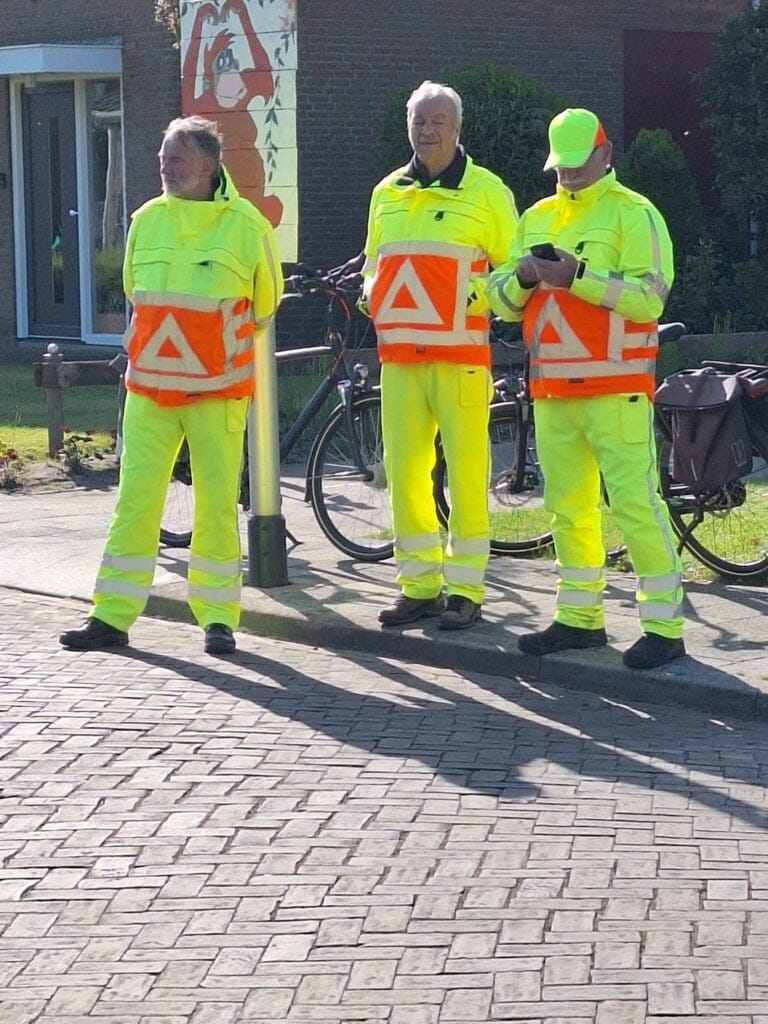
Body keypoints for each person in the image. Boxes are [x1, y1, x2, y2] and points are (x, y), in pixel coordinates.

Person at [60, 116, 282, 655]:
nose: (165, 166)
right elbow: (135, 291)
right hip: (150, 393)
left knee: (215, 508)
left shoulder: (248, 227)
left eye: (176, 158)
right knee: (135, 503)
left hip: (217, 394)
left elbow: (266, 304)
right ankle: (111, 616)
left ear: (208, 166)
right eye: (163, 157)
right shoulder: (146, 221)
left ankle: (218, 618)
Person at [488, 107, 685, 670]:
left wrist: (578, 276)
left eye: (578, 164)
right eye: (561, 168)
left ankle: (665, 627)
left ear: (606, 153)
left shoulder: (634, 213)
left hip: (616, 389)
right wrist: (523, 277)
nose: (569, 176)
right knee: (567, 509)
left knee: (634, 505)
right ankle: (579, 619)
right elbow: (500, 302)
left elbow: (650, 298)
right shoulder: (535, 218)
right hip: (553, 391)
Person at [362, 80, 518, 630]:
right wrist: (370, 293)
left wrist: (470, 298)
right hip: (400, 360)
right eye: (419, 121)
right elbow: (373, 263)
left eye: (437, 122)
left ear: (457, 129)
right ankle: (419, 586)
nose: (427, 131)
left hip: (460, 359)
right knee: (404, 475)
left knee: (467, 476)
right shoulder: (387, 192)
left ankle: (466, 591)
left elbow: (513, 271)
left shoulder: (488, 192)